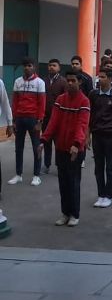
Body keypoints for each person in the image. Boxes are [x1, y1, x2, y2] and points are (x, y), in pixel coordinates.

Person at [39, 70, 89, 227]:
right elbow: (53, 121)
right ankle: (65, 213)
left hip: (75, 150)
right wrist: (44, 139)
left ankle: (74, 214)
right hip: (60, 147)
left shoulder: (84, 101)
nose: (70, 83)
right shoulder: (61, 99)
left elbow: (82, 124)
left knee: (73, 182)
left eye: (73, 80)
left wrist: (77, 144)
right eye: (68, 80)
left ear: (80, 82)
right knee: (63, 182)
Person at [88, 69, 112, 208]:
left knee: (110, 166)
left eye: (102, 77)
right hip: (97, 134)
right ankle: (101, 194)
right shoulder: (93, 94)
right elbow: (89, 116)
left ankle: (108, 195)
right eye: (99, 76)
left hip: (110, 135)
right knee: (98, 167)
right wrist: (87, 136)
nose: (99, 79)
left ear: (110, 79)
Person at [9, 57, 46, 187]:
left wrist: (40, 121)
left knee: (37, 147)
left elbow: (42, 103)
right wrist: (13, 120)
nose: (27, 68)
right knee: (18, 148)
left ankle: (36, 176)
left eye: (29, 65)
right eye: (25, 66)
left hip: (33, 119)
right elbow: (14, 102)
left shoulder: (40, 82)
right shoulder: (17, 81)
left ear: (34, 67)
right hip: (19, 119)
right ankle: (18, 175)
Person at [41, 59, 67, 175]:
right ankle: (46, 165)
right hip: (46, 117)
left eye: (54, 65)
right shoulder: (43, 81)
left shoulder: (63, 82)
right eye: (50, 65)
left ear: (59, 68)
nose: (51, 67)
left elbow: (66, 99)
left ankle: (59, 165)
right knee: (46, 141)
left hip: (58, 118)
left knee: (58, 143)